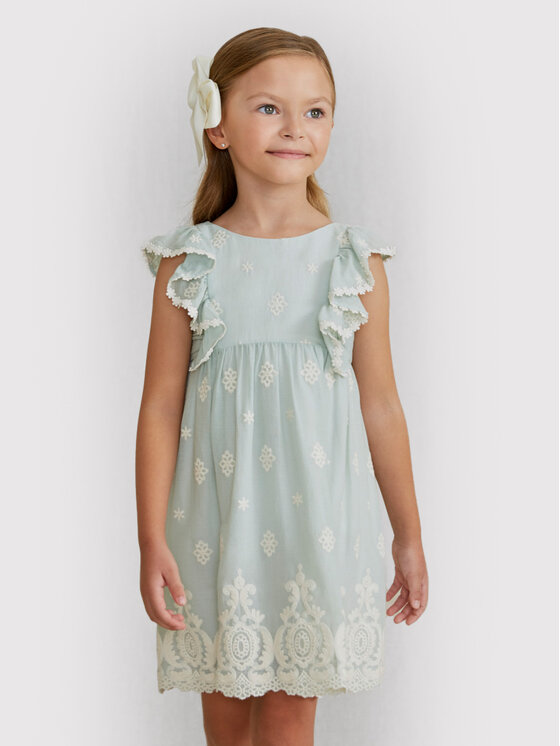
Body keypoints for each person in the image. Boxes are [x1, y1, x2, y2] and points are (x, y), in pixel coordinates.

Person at [136, 26, 428, 746]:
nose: (296, 127)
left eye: (315, 111)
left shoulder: (352, 261)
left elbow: (382, 406)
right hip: (215, 530)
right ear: (218, 125)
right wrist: (150, 538)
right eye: (269, 108)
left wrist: (409, 535)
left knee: (292, 717)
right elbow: (160, 407)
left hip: (316, 529)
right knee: (225, 719)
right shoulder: (190, 262)